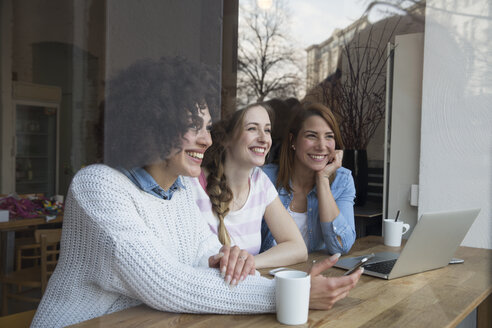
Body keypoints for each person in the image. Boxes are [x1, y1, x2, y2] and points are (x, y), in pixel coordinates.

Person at [31, 58, 361, 328]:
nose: (206, 139)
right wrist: (290, 294)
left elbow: (207, 261)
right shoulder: (98, 186)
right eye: (193, 126)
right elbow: (166, 283)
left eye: (207, 127)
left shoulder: (181, 192)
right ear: (152, 124)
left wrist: (234, 261)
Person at [185, 103, 307, 271]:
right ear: (225, 138)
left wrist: (248, 264)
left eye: (267, 130)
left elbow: (298, 248)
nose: (264, 139)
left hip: (248, 289)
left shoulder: (259, 182)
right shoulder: (191, 185)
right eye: (252, 129)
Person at [261, 102, 356, 255]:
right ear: (293, 140)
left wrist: (323, 179)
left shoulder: (342, 180)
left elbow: (340, 247)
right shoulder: (265, 179)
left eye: (329, 137)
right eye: (312, 136)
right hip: (266, 273)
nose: (321, 145)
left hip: (314, 274)